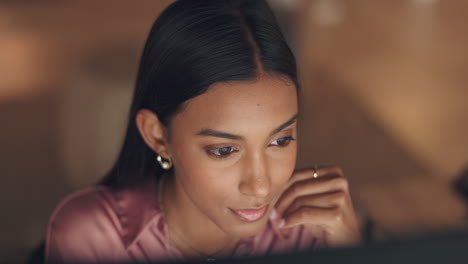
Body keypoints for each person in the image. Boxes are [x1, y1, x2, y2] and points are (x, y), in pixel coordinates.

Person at [45, 0, 361, 262]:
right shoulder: (95, 238)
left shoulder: (311, 231)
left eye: (280, 140)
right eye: (224, 150)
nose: (261, 186)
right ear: (158, 136)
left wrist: (354, 250)